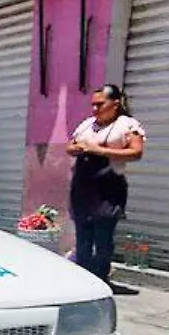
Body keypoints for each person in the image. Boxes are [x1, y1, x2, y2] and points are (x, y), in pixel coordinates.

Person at [66, 85, 146, 286]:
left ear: (115, 103)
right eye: (93, 105)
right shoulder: (87, 125)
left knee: (103, 237)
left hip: (108, 188)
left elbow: (136, 152)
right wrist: (76, 148)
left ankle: (100, 280)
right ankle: (81, 278)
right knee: (83, 235)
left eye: (100, 104)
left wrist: (99, 150)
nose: (95, 109)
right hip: (83, 186)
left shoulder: (127, 125)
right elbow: (70, 145)